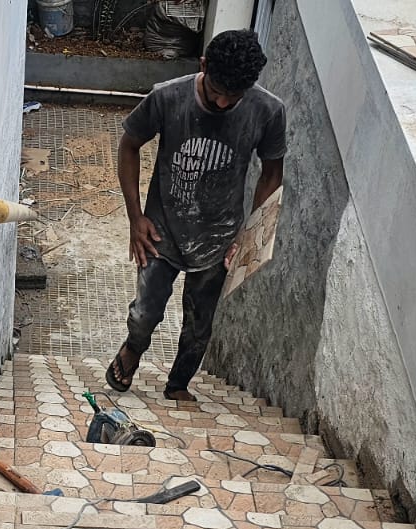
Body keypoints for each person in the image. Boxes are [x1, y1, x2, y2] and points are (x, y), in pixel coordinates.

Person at [106, 28, 285, 401]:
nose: (221, 103)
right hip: (160, 230)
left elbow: (271, 174)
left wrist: (250, 236)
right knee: (145, 310)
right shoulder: (167, 97)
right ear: (203, 65)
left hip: (220, 238)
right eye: (216, 91)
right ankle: (132, 351)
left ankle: (178, 386)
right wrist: (135, 217)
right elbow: (129, 146)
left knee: (200, 322)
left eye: (232, 97)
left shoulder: (268, 111)